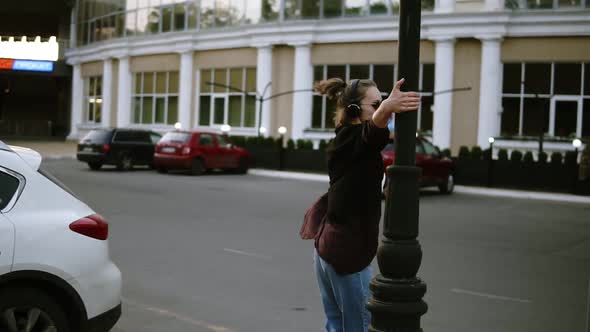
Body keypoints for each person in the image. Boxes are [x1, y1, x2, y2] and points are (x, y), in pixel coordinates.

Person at [312, 77, 420, 332]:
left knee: (337, 324)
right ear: (353, 110)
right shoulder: (354, 137)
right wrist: (387, 108)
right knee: (359, 326)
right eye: (375, 104)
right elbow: (373, 133)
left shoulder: (345, 138)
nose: (383, 109)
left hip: (328, 247)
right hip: (346, 253)